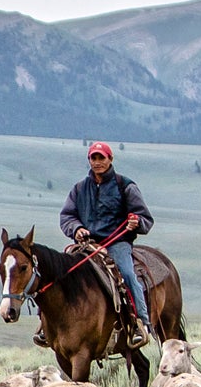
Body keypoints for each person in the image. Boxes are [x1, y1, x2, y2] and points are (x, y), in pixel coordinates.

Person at [57, 141, 153, 345]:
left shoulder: (125, 186)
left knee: (126, 274)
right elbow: (67, 216)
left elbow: (146, 219)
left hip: (116, 242)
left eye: (102, 157)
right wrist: (76, 229)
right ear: (89, 160)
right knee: (59, 272)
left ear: (110, 159)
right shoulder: (80, 188)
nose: (98, 162)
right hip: (87, 244)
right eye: (94, 158)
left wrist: (136, 223)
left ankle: (140, 323)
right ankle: (47, 326)